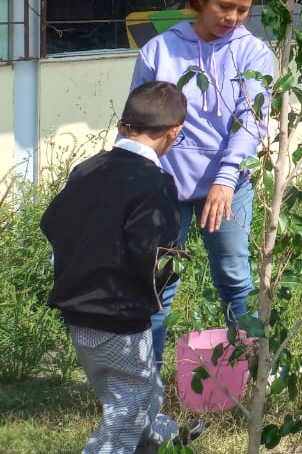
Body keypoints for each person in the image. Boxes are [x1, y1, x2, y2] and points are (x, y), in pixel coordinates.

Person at [41, 81, 203, 454]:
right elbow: (154, 256)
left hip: (77, 309)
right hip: (119, 316)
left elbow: (52, 224)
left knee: (144, 388)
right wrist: (167, 276)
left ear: (121, 126)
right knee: (126, 407)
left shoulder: (87, 169)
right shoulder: (157, 183)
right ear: (174, 134)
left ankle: (163, 439)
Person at [130, 0, 275, 364]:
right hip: (164, 187)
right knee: (158, 286)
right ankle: (147, 380)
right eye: (223, 6)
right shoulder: (160, 50)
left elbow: (252, 123)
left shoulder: (255, 54)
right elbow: (138, 121)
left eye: (242, 10)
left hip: (227, 186)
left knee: (234, 278)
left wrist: (226, 180)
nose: (232, 17)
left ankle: (248, 372)